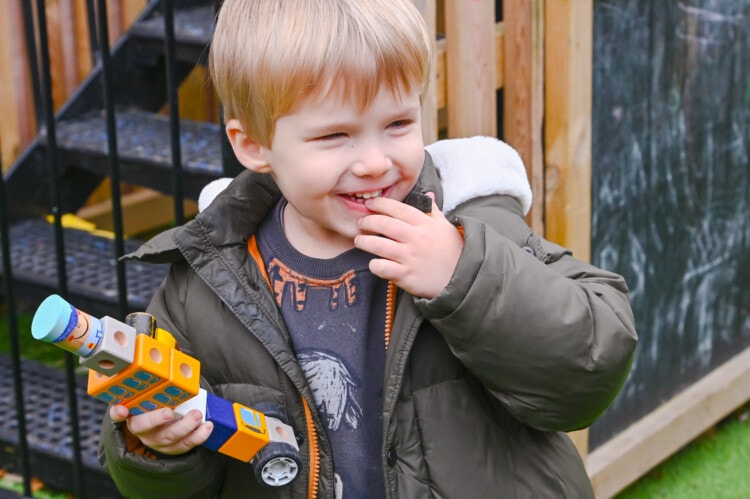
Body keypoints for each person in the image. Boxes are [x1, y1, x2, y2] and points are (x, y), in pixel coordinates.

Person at [98, 0, 638, 497]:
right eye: (335, 136)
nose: (376, 161)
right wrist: (159, 449)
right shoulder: (208, 281)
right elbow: (171, 484)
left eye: (398, 123)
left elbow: (589, 371)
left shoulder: (470, 225)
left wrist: (463, 275)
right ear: (254, 146)